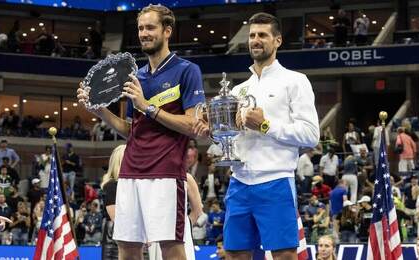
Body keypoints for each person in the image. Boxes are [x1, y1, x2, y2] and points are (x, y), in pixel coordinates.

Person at [77, 4, 205, 259]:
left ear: (167, 31)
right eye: (140, 28)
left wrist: (147, 107)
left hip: (167, 172)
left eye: (150, 27)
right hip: (130, 172)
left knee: (170, 246)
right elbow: (130, 130)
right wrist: (100, 111)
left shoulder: (187, 70)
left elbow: (192, 125)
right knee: (127, 246)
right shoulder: (135, 76)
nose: (144, 33)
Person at [193, 12, 319, 259]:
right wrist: (215, 132)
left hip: (276, 181)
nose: (255, 40)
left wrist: (265, 125)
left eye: (262, 35)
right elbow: (233, 140)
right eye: (252, 35)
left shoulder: (295, 81)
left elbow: (311, 135)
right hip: (239, 182)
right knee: (234, 253)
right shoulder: (240, 90)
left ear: (278, 41)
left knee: (284, 255)